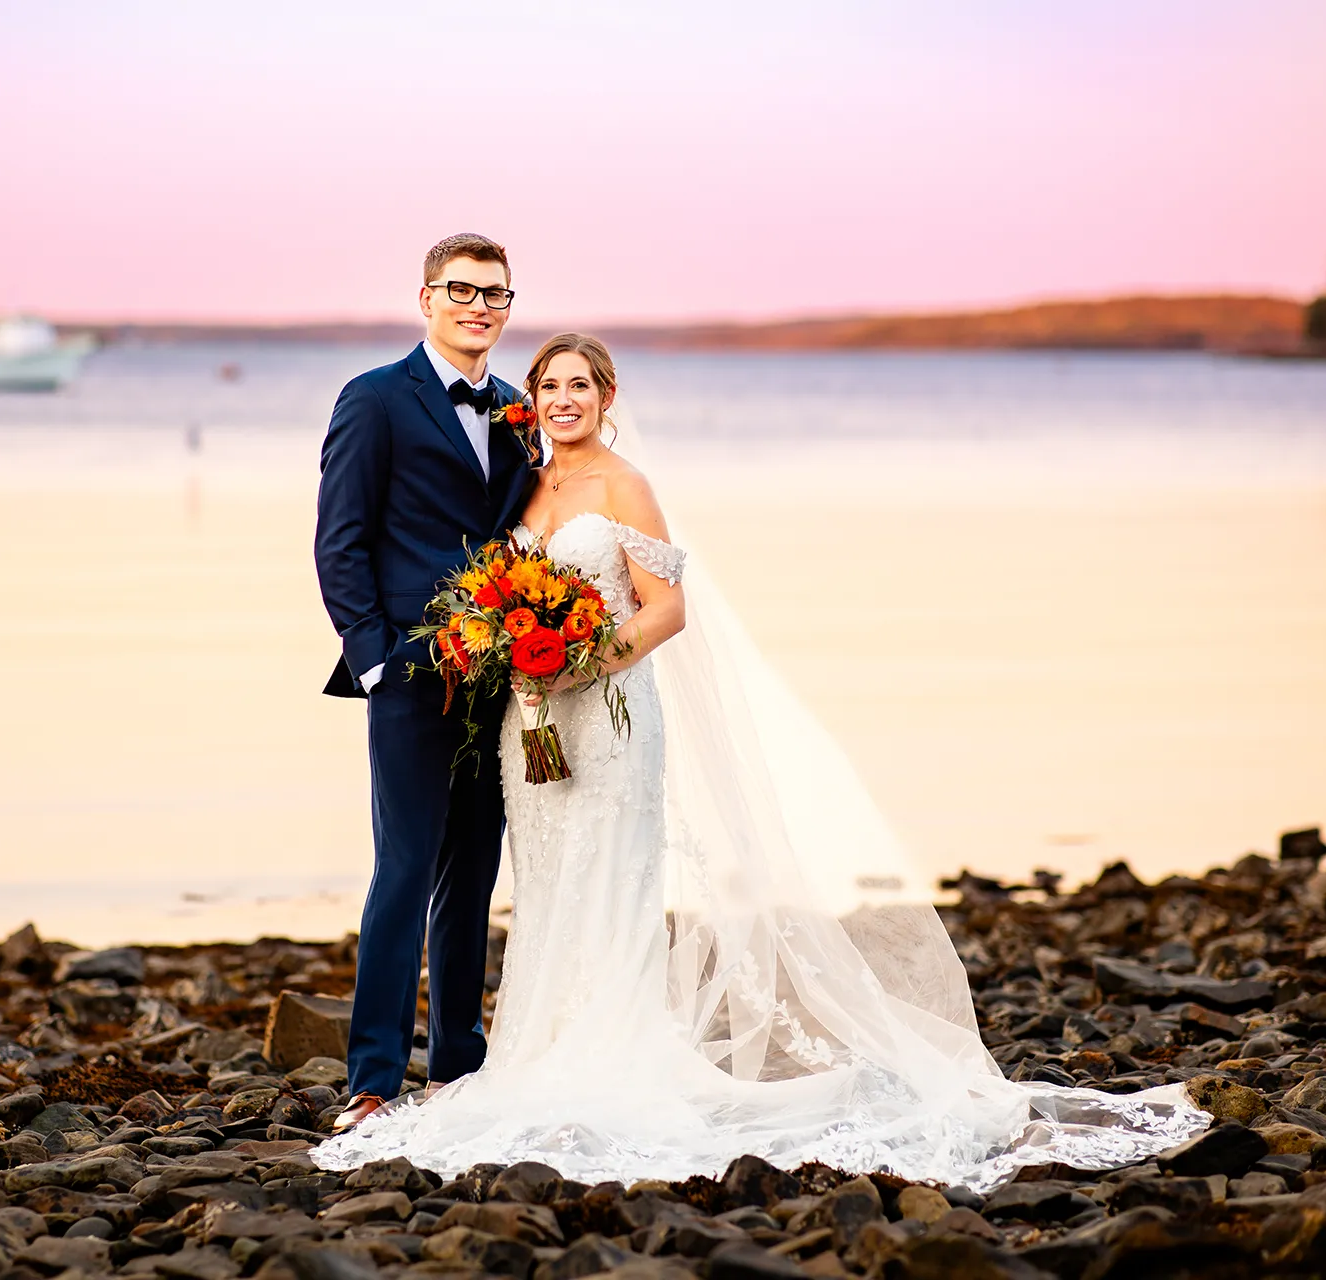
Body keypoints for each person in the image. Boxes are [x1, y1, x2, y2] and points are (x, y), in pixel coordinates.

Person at [314, 333, 1210, 1192]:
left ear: (607, 396)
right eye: (549, 389)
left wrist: (581, 660)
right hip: (521, 718)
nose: (558, 401)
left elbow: (666, 609)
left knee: (601, 881)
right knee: (535, 883)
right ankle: (499, 1059)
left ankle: (597, 1055)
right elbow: (395, 545)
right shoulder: (522, 467)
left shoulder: (626, 484)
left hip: (606, 717)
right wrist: (418, 654)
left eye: (577, 387)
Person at [313, 233, 535, 1134]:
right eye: (462, 290)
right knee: (402, 870)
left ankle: (457, 1066)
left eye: (495, 294)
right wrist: (375, 660)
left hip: (502, 678)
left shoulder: (522, 410)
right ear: (426, 297)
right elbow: (340, 539)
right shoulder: (374, 398)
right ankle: (372, 1079)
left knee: (473, 874)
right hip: (408, 673)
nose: (479, 306)